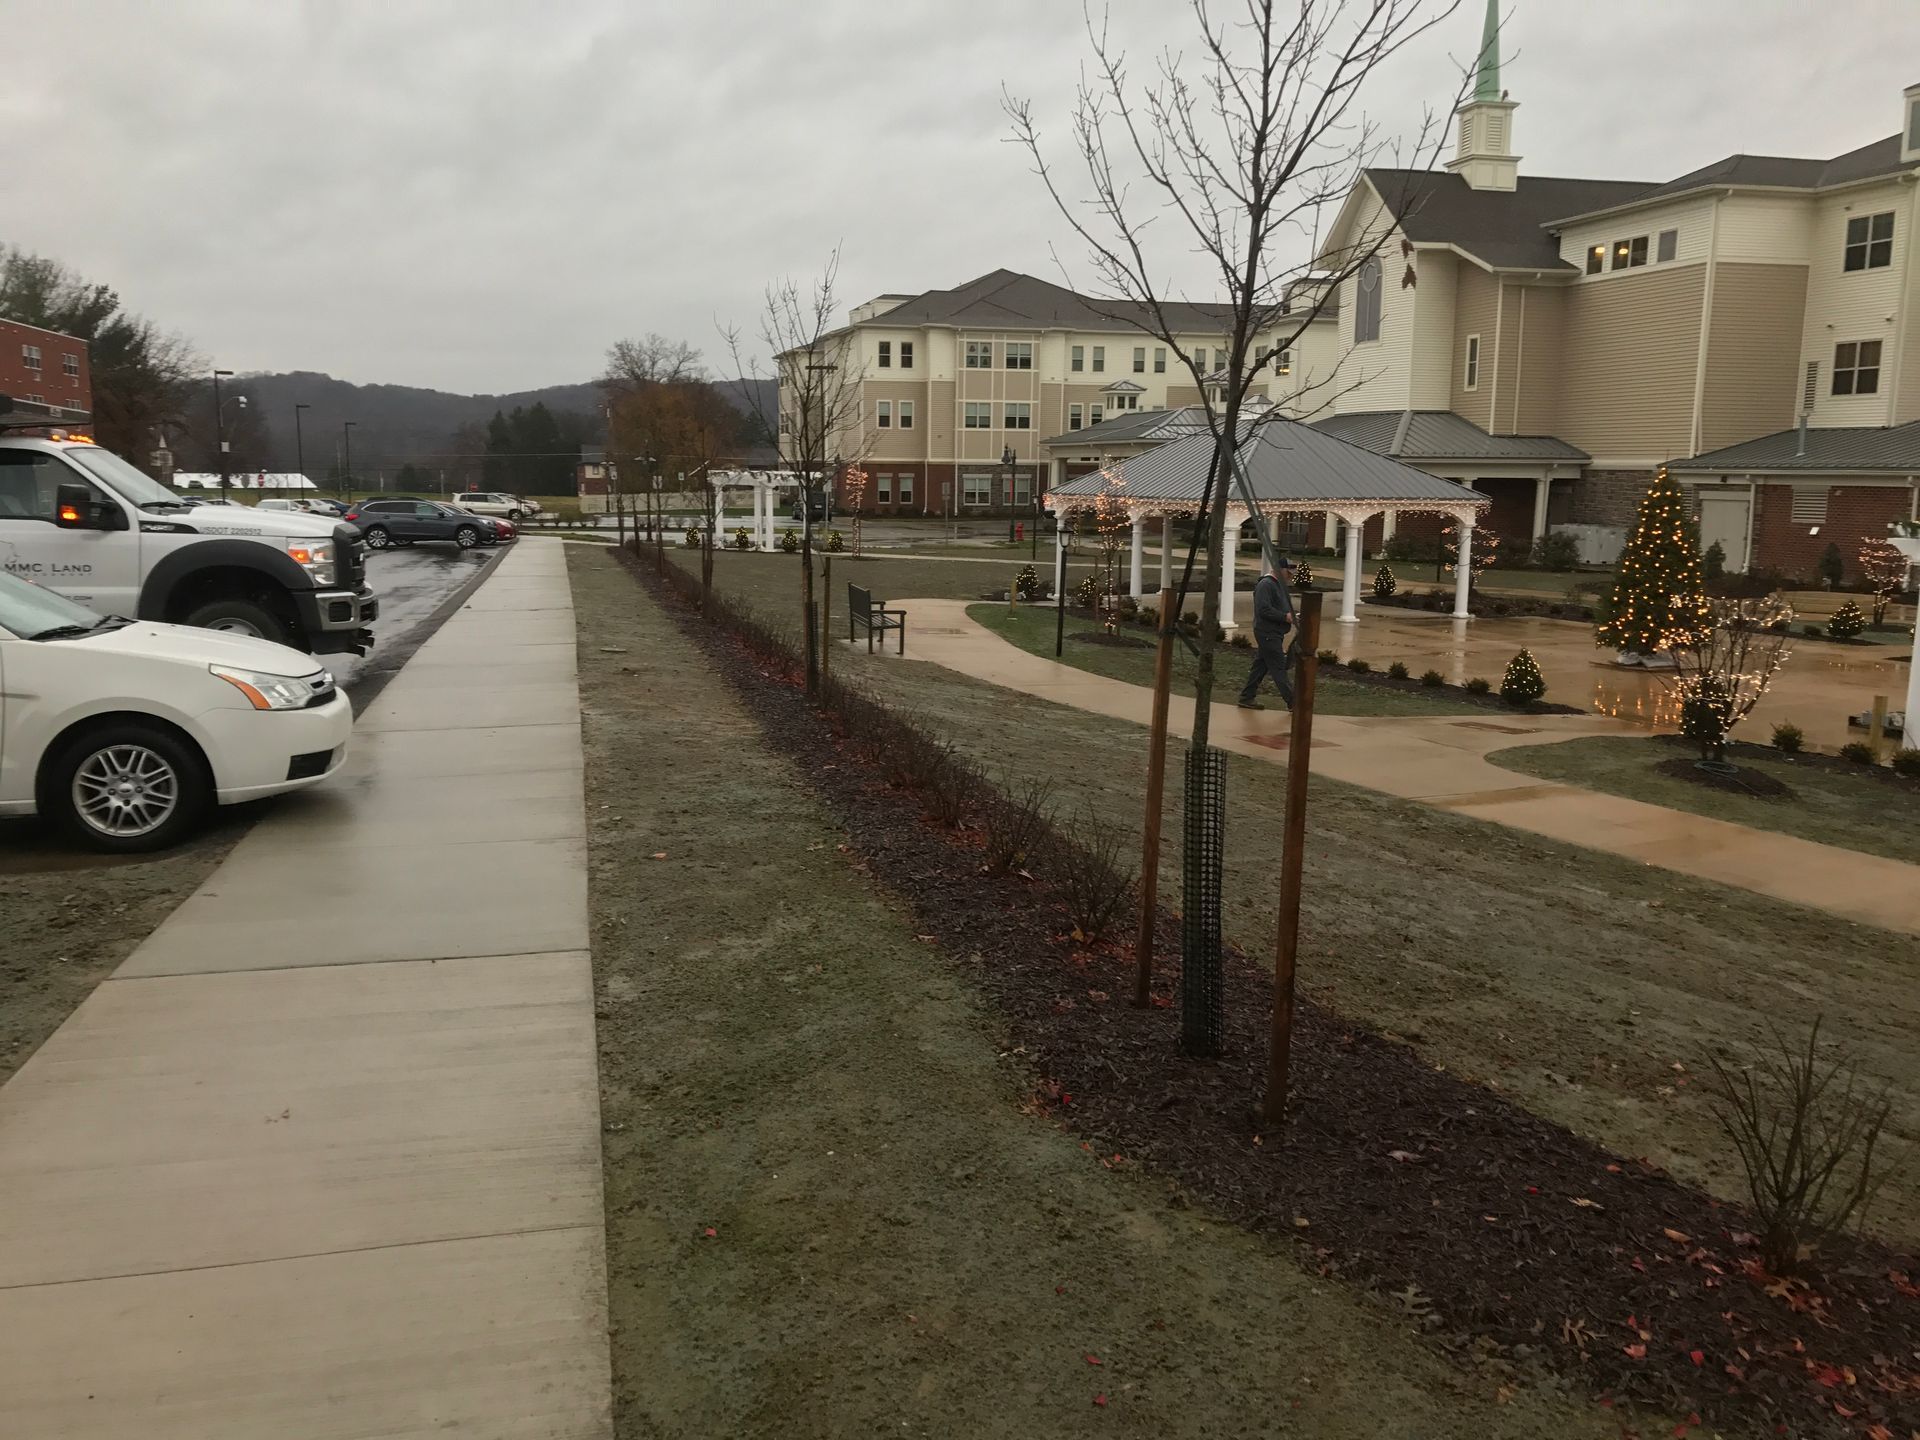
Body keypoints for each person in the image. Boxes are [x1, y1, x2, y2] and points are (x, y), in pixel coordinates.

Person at [1237, 554, 1297, 710]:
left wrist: (1292, 615)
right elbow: (1263, 609)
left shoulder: (1278, 585)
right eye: (1289, 573)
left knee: (1261, 665)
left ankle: (1246, 697)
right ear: (1279, 569)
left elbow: (1278, 607)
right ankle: (1293, 702)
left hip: (1274, 633)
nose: (1291, 577)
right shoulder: (1266, 585)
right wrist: (1285, 616)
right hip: (1267, 633)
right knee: (1278, 667)